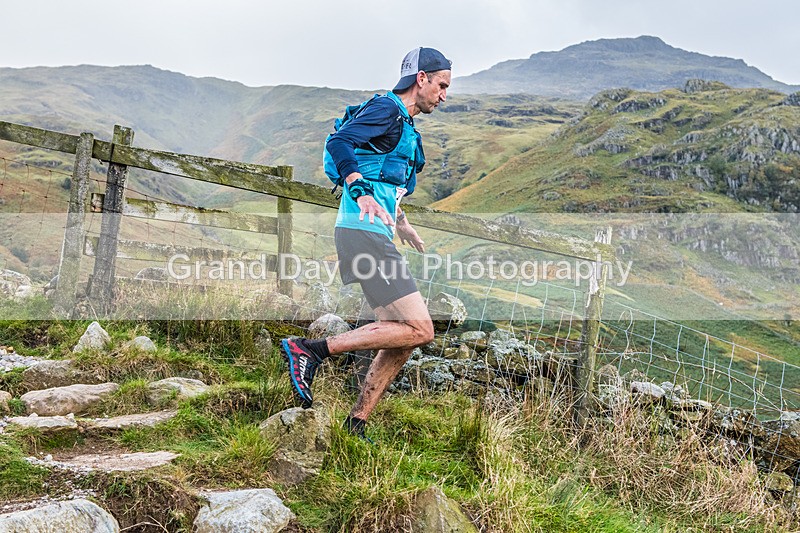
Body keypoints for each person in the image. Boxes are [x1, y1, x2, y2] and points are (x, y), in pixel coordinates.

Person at [281, 47, 451, 441]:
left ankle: (356, 423)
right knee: (421, 328)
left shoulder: (405, 125)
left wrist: (403, 222)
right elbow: (340, 144)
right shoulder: (386, 109)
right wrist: (359, 189)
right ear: (421, 78)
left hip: (374, 231)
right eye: (441, 85)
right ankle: (311, 350)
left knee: (401, 333)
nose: (444, 95)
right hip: (362, 230)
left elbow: (387, 183)